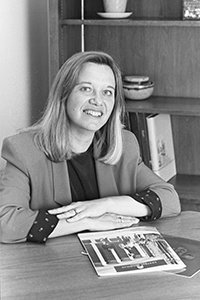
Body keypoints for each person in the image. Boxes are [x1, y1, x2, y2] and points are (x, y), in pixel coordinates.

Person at [0, 51, 181, 244]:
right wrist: (85, 221)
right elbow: (7, 223)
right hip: (53, 265)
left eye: (107, 92)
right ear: (64, 94)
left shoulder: (125, 145)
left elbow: (170, 199)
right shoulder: (23, 149)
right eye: (86, 89)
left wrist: (105, 205)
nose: (98, 100)